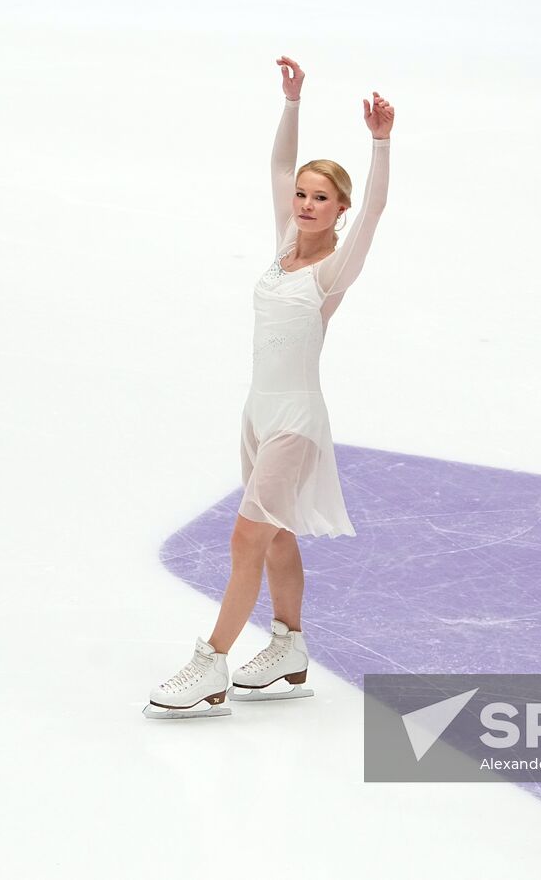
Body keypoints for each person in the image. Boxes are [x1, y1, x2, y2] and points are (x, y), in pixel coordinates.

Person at [143, 57, 394, 719]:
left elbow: (376, 208)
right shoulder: (284, 245)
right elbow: (278, 168)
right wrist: (294, 100)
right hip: (256, 413)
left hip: (295, 425)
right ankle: (288, 646)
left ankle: (209, 662)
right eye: (304, 195)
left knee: (246, 539)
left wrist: (380, 142)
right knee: (278, 536)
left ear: (338, 210)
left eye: (321, 198)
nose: (307, 204)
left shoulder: (334, 270)